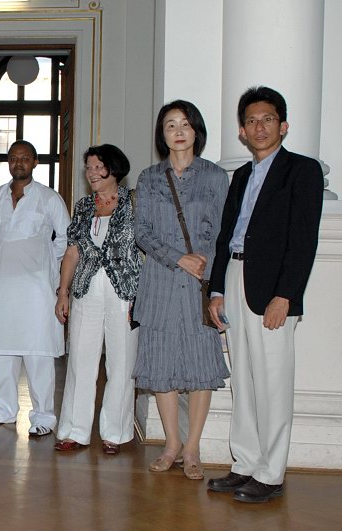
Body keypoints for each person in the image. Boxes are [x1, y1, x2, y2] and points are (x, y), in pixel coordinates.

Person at [206, 87, 323, 503]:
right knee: (244, 379)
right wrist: (217, 289)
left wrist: (285, 296)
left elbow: (303, 240)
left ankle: (271, 474)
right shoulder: (240, 175)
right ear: (242, 131)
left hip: (272, 289)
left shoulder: (302, 171)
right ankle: (245, 464)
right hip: (235, 278)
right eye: (251, 121)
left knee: (272, 382)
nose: (259, 127)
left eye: (267, 119)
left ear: (283, 125)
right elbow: (226, 236)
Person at [132, 100, 230, 480]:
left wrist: (207, 270)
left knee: (200, 365)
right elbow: (142, 232)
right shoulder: (149, 178)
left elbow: (223, 232)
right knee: (161, 364)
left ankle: (192, 448)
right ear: (162, 134)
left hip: (199, 284)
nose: (178, 131)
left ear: (196, 131)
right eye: (170, 124)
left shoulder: (215, 177)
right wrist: (178, 258)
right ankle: (172, 443)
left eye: (185, 124)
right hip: (160, 279)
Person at [0, 140, 70, 437]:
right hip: (4, 285)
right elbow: (0, 236)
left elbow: (66, 238)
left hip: (37, 288)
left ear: (35, 162)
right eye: (13, 158)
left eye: (25, 158)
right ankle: (4, 409)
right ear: (8, 162)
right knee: (3, 349)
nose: (18, 162)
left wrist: (47, 264)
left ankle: (44, 415)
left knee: (38, 350)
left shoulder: (49, 198)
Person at [54, 144, 141, 454]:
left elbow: (146, 249)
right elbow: (72, 251)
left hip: (125, 293)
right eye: (88, 168)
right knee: (80, 360)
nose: (91, 173)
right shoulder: (82, 206)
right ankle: (74, 431)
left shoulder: (135, 203)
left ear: (113, 169)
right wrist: (63, 292)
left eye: (97, 167)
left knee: (122, 363)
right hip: (86, 290)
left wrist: (143, 296)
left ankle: (115, 433)